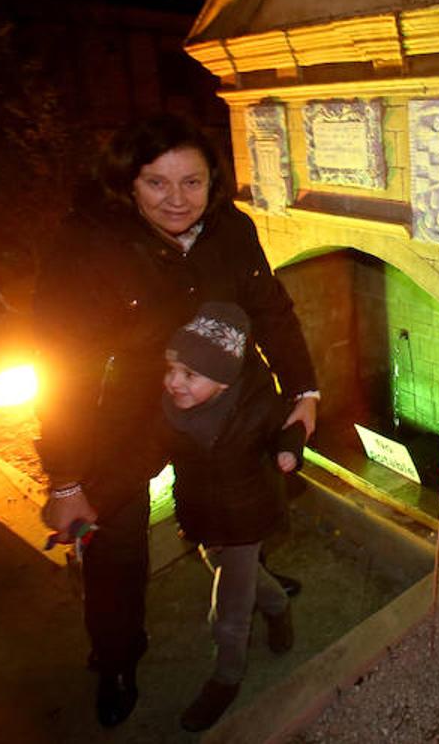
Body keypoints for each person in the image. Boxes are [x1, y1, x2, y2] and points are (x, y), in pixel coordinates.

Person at [32, 115, 317, 727]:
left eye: (192, 182)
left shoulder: (232, 230)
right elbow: (60, 365)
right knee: (116, 542)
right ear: (127, 185)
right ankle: (116, 656)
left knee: (234, 503)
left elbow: (269, 307)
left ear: (213, 181)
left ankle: (254, 579)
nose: (177, 200)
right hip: (127, 417)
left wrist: (304, 389)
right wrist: (65, 478)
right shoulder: (87, 247)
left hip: (226, 405)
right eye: (156, 183)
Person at [159, 302, 304, 731]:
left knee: (229, 606)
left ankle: (227, 676)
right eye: (171, 369)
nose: (173, 383)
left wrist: (289, 448)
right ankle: (277, 606)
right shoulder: (170, 410)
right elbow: (145, 452)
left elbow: (286, 426)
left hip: (245, 516)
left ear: (223, 381)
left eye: (189, 375)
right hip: (201, 510)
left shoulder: (256, 406)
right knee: (221, 566)